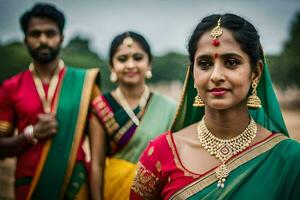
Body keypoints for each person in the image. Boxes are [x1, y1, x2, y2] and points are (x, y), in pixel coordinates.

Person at [130, 13, 300, 200]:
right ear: (193, 73)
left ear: (256, 72)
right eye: (204, 64)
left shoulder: (289, 159)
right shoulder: (160, 154)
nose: (216, 75)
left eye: (232, 62)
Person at [0, 3, 102, 200]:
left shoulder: (84, 84)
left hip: (76, 185)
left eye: (50, 33)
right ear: (25, 40)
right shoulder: (11, 87)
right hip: (29, 186)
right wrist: (31, 134)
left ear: (61, 38)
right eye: (35, 34)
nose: (43, 40)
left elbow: (99, 150)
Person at [90, 31, 177, 200]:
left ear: (149, 64)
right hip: (112, 191)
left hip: (156, 192)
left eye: (137, 58)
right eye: (122, 59)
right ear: (112, 66)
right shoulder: (101, 106)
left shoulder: (169, 108)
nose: (130, 65)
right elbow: (96, 164)